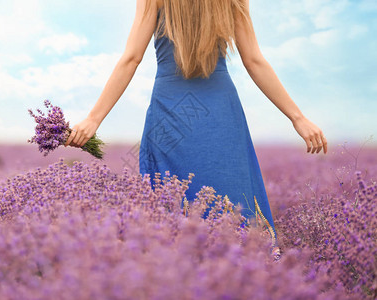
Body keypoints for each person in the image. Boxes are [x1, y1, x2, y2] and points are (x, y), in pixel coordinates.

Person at [64, 0, 328, 260]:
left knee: (166, 210)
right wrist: (297, 117)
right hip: (220, 112)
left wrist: (93, 119)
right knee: (233, 201)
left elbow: (131, 59)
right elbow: (254, 61)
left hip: (170, 113)